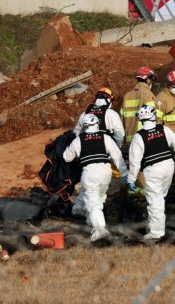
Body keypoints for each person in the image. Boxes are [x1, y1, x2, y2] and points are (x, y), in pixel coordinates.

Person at [127, 104, 175, 241]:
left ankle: (156, 232)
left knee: (155, 201)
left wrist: (131, 179)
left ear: (140, 119)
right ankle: (153, 227)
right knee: (159, 198)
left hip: (153, 169)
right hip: (169, 166)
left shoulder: (139, 137)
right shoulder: (164, 129)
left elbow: (134, 161)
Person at [63, 114, 128, 242]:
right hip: (105, 173)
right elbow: (117, 155)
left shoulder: (79, 140)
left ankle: (100, 229)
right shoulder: (105, 137)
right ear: (97, 124)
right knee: (99, 198)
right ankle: (88, 219)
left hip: (90, 173)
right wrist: (124, 173)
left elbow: (66, 157)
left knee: (93, 203)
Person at [71, 87, 124, 218]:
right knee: (100, 184)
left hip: (86, 154)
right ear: (109, 100)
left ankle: (79, 207)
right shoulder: (111, 114)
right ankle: (96, 213)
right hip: (103, 154)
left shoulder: (84, 114)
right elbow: (119, 135)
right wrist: (114, 148)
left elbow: (76, 134)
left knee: (89, 182)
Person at [120, 67, 158, 150]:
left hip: (130, 143)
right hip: (145, 141)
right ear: (147, 79)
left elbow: (121, 121)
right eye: (151, 79)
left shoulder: (127, 96)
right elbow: (154, 118)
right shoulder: (148, 95)